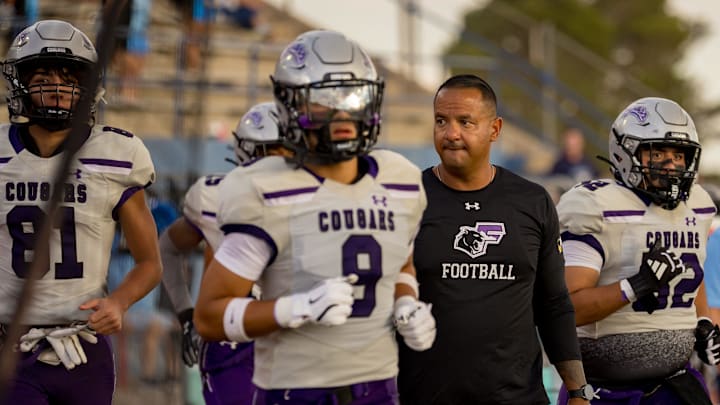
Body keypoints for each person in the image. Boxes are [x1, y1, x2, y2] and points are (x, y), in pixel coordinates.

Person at [194, 30, 436, 404]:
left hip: (381, 389)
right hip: (297, 392)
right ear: (290, 106)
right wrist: (295, 308)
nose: (343, 114)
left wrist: (406, 301)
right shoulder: (265, 189)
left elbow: (400, 261)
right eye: (323, 101)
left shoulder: (400, 180)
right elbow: (209, 316)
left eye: (353, 96)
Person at [397, 74, 589, 404]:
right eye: (441, 120)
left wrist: (578, 391)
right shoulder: (407, 199)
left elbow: (554, 303)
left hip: (517, 397)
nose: (450, 133)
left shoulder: (532, 201)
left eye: (465, 122)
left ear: (495, 129)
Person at [0, 20, 162, 404]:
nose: (57, 88)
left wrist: (119, 302)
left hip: (84, 346)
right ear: (21, 81)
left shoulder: (118, 154)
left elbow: (150, 263)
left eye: (70, 77)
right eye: (43, 76)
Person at [556, 97, 720, 404]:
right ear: (626, 152)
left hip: (675, 387)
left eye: (678, 155)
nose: (671, 163)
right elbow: (567, 309)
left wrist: (703, 324)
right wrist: (635, 286)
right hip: (603, 391)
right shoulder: (595, 206)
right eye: (657, 152)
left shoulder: (697, 205)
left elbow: (691, 273)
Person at [160, 101, 290, 404]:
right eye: (273, 151)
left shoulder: (316, 194)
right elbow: (166, 247)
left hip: (294, 336)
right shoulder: (215, 196)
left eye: (287, 150)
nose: (282, 161)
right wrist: (185, 312)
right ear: (248, 151)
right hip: (233, 340)